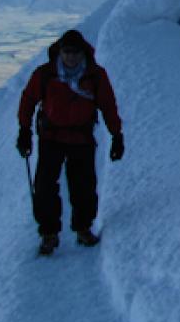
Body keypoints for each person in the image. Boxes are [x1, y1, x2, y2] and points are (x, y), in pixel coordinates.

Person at [17, 29, 124, 256]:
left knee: (83, 186)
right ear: (60, 51)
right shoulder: (46, 74)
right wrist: (24, 130)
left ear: (82, 52)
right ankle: (49, 233)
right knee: (45, 187)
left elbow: (108, 105)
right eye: (67, 52)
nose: (71, 57)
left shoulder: (95, 76)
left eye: (75, 52)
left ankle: (83, 228)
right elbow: (27, 100)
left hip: (81, 137)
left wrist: (117, 135)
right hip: (51, 138)